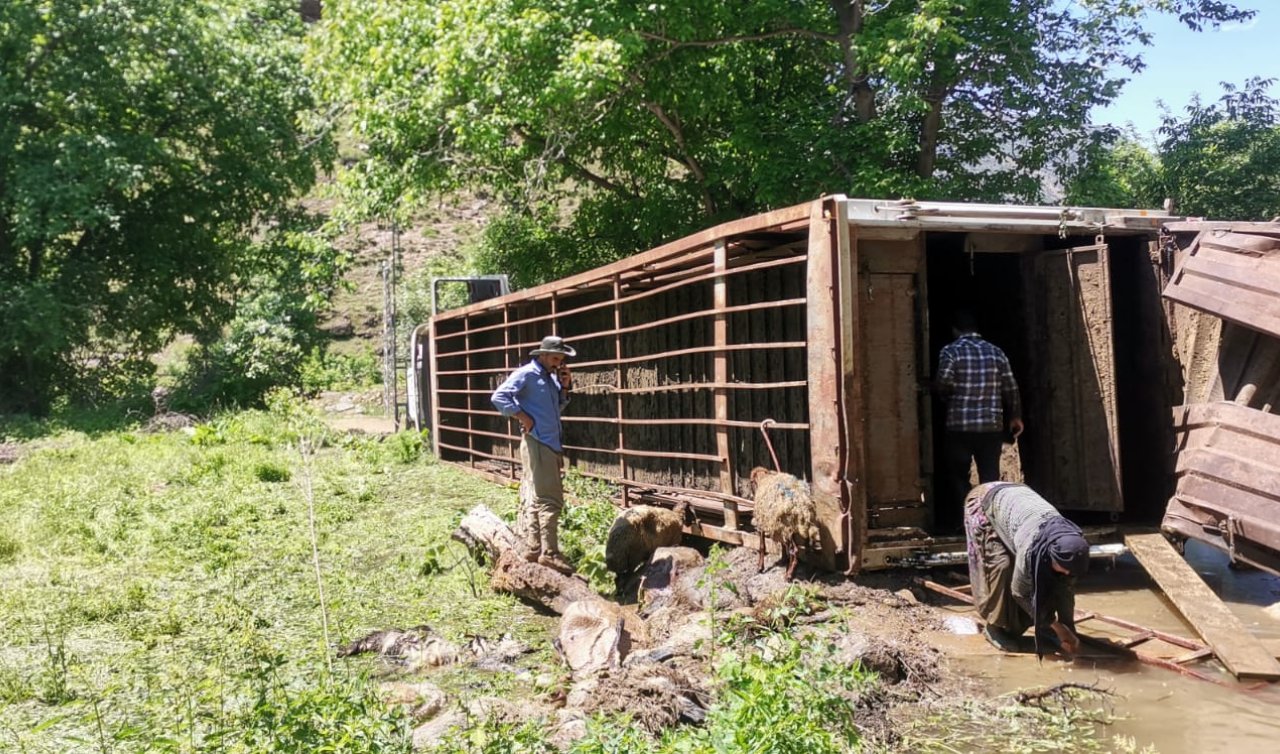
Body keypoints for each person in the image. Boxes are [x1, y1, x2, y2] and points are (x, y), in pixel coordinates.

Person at [964, 481, 1089, 657]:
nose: (1068, 573)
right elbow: (1020, 592)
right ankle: (995, 627)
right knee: (1003, 566)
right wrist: (1056, 626)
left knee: (1055, 578)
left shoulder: (1071, 544)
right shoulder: (1032, 546)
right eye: (1065, 568)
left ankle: (1044, 627)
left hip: (1016, 499)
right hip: (984, 501)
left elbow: (1065, 589)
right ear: (1050, 554)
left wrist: (1068, 628)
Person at [491, 335, 576, 574]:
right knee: (550, 499)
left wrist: (565, 386)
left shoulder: (549, 379)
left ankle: (533, 547)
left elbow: (554, 410)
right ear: (543, 355)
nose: (558, 363)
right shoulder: (527, 374)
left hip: (546, 442)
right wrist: (521, 416)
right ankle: (550, 553)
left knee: (537, 496)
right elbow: (498, 396)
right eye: (555, 358)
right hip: (539, 442)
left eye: (561, 360)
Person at [936, 310, 1023, 516]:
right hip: (990, 426)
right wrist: (1016, 416)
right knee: (990, 475)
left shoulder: (950, 351)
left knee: (958, 474)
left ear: (955, 330)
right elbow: (1010, 387)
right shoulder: (996, 352)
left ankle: (966, 518)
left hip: (959, 426)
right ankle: (990, 520)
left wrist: (946, 398)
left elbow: (943, 383)